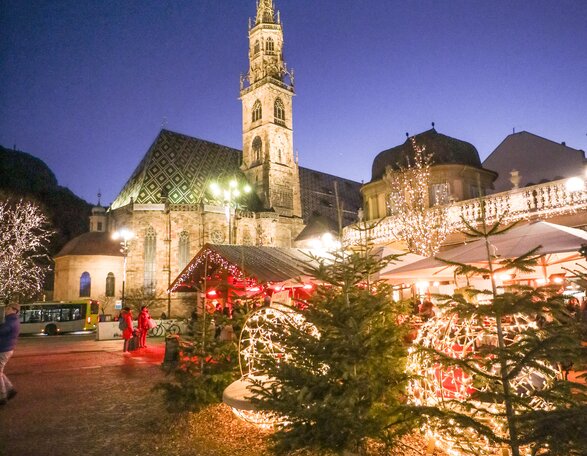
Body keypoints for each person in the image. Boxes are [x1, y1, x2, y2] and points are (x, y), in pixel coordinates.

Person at [0, 304, 21, 406]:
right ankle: (10, 390)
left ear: (14, 310)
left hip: (4, 349)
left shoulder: (11, 320)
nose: (6, 310)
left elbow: (2, 331)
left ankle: (2, 396)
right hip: (5, 348)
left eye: (8, 308)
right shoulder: (11, 319)